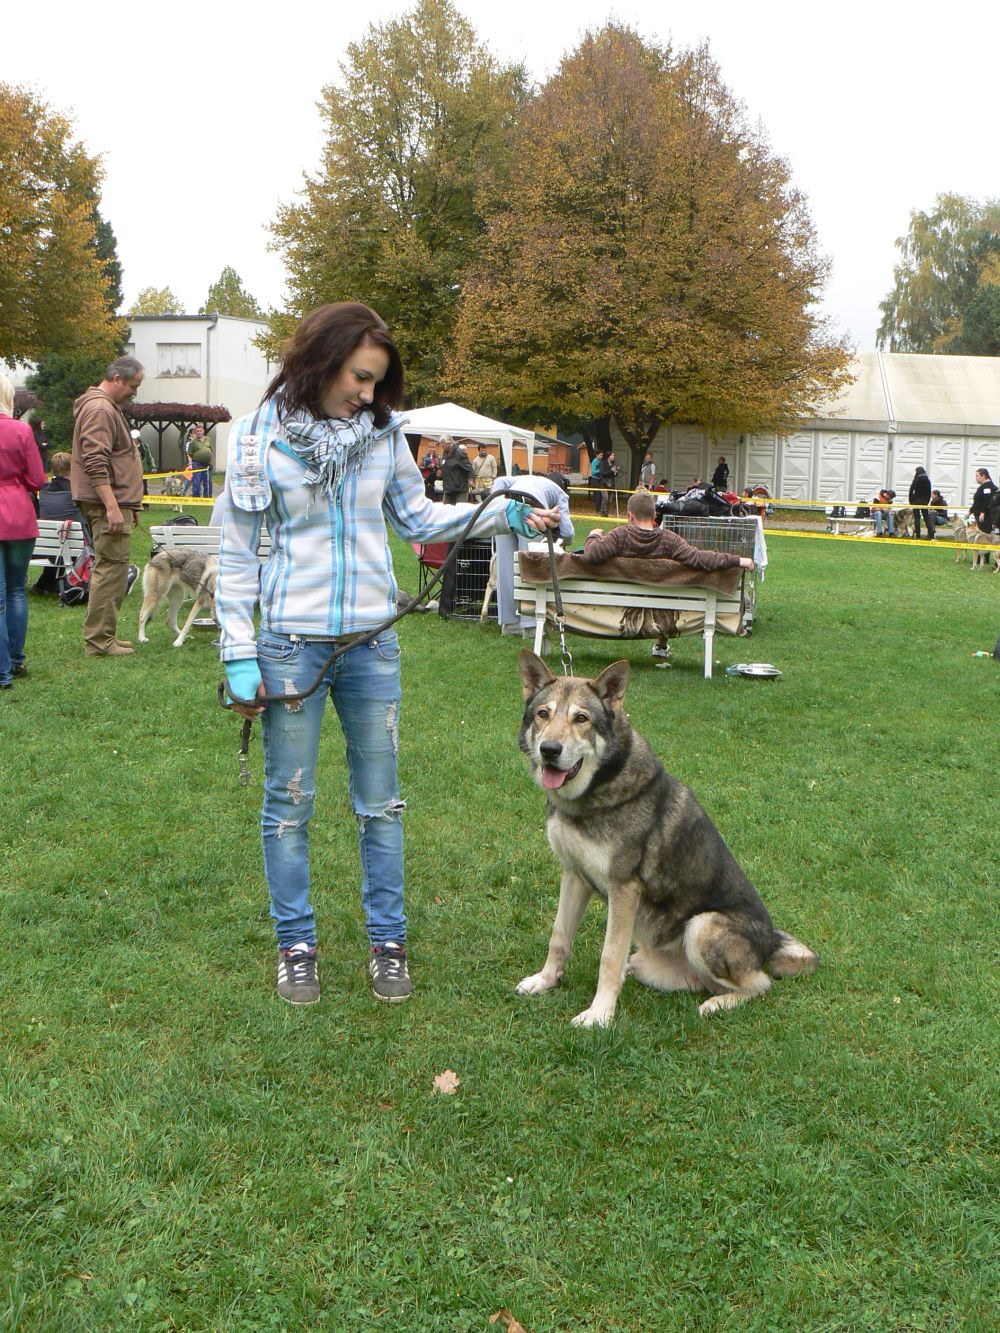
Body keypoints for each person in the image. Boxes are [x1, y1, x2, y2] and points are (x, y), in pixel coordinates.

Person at [216, 302, 559, 1006]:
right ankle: (297, 948)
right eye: (360, 378)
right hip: (289, 648)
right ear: (321, 358)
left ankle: (388, 944)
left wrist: (504, 509)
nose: (369, 396)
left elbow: (420, 517)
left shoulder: (382, 436)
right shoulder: (255, 440)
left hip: (374, 644)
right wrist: (237, 649)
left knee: (381, 804)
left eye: (377, 383)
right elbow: (236, 551)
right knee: (288, 802)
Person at [581, 491, 753, 661]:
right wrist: (737, 560)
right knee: (665, 591)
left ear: (630, 516)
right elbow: (700, 558)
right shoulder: (669, 540)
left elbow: (592, 555)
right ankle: (661, 644)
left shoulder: (619, 536)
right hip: (662, 608)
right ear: (654, 515)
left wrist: (593, 535)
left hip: (617, 605)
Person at [70, 355, 145, 656]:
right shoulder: (100, 408)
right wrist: (113, 506)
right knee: (110, 569)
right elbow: (95, 460)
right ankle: (99, 642)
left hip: (112, 503)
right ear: (116, 379)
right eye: (132, 385)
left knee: (113, 569)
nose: (134, 392)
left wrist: (129, 504)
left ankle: (105, 636)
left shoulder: (104, 407)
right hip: (105, 506)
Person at [0, 373, 47, 687]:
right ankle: (14, 661)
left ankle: (3, 671)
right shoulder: (21, 430)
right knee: (16, 591)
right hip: (18, 514)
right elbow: (38, 479)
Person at [489, 471, 575, 637]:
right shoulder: (560, 492)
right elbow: (568, 534)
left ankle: (509, 624)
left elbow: (499, 481)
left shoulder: (523, 478)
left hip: (505, 510)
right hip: (531, 512)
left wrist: (495, 505)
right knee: (528, 568)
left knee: (506, 568)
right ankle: (530, 626)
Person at [440, 437, 473, 504]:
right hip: (448, 488)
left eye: (442, 443)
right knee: (446, 510)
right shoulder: (445, 453)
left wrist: (471, 479)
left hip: (460, 488)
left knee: (460, 511)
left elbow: (469, 469)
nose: (441, 445)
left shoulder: (460, 453)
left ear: (448, 443)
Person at [186, 424, 213, 498]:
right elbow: (189, 454)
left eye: (200, 431)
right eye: (197, 431)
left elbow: (210, 450)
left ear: (203, 431)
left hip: (207, 464)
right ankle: (196, 498)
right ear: (195, 432)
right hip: (197, 464)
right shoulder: (193, 442)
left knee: (208, 482)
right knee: (196, 482)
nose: (199, 432)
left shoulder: (208, 439)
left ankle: (207, 497)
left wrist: (209, 459)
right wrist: (190, 464)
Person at [909, 466, 934, 539]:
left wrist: (911, 500)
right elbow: (929, 492)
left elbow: (911, 490)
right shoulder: (927, 480)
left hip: (916, 501)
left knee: (917, 518)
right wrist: (927, 501)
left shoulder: (916, 479)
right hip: (924, 501)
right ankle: (931, 535)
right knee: (927, 518)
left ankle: (918, 536)